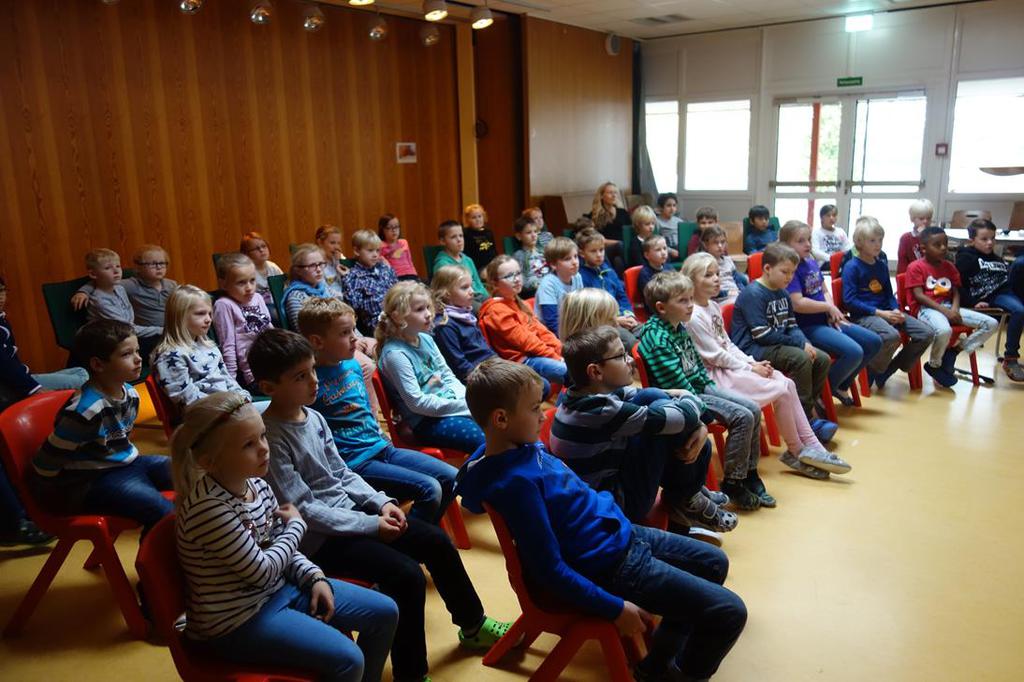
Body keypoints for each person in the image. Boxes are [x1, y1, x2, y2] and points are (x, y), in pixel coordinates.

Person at [456, 358, 747, 682]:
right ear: (501, 418)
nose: (543, 415)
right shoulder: (515, 484)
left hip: (618, 532)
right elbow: (549, 569)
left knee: (714, 563)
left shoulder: (515, 445)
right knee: (729, 612)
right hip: (610, 563)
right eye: (536, 408)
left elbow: (475, 474)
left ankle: (657, 664)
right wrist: (615, 608)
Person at [251, 329, 510, 682]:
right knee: (405, 575)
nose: (314, 381)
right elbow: (305, 511)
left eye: (312, 370)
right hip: (319, 540)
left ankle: (473, 625)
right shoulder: (271, 437)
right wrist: (372, 525)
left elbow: (342, 473)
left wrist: (381, 503)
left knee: (436, 541)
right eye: (300, 376)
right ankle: (411, 674)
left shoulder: (314, 417)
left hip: (352, 517)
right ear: (268, 387)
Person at [171, 391, 398, 682]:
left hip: (278, 589)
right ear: (210, 462)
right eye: (248, 444)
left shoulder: (257, 485)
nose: (264, 449)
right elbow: (263, 571)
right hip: (237, 622)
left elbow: (278, 544)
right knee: (349, 660)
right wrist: (297, 527)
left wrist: (313, 577)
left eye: (262, 436)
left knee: (385, 612)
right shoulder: (209, 510)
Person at [552, 326, 736, 532]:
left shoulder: (586, 394)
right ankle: (686, 497)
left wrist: (696, 421)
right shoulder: (599, 411)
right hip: (617, 505)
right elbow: (682, 418)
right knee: (662, 418)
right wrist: (690, 403)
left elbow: (650, 395)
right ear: (596, 371)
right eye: (621, 356)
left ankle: (688, 493)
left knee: (651, 398)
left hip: (614, 479)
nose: (631, 360)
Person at [296, 301, 456, 524]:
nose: (355, 338)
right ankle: (409, 537)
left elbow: (366, 411)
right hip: (355, 462)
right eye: (344, 333)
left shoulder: (352, 365)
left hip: (382, 448)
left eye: (354, 330)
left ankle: (418, 533)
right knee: (430, 489)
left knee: (452, 478)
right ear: (317, 341)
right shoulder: (309, 382)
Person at [639, 270, 789, 509]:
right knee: (741, 417)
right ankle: (734, 482)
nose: (690, 305)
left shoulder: (679, 327)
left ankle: (749, 473)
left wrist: (712, 388)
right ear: (661, 307)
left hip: (700, 387)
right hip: (683, 399)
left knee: (752, 408)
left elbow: (697, 366)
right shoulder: (657, 338)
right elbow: (678, 385)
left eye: (691, 298)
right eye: (683, 300)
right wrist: (705, 414)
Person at [681, 253, 837, 481]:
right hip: (715, 376)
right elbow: (715, 356)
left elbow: (728, 344)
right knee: (781, 388)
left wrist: (751, 362)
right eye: (708, 275)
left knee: (787, 382)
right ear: (691, 280)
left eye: (717, 273)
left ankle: (811, 444)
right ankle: (797, 450)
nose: (716, 279)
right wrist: (749, 368)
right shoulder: (694, 316)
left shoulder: (712, 306)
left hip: (730, 367)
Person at [30, 320, 173, 533]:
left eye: (137, 350)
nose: (138, 358)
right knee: (163, 512)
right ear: (98, 365)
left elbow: (118, 442)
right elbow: (44, 464)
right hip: (93, 480)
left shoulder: (131, 393)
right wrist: (58, 499)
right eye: (126, 354)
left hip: (126, 464)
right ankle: (160, 552)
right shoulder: (85, 411)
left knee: (188, 473)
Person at [730, 244, 840, 444]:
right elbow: (762, 334)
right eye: (784, 272)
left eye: (793, 272)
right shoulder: (753, 294)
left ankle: (803, 411)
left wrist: (804, 342)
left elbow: (792, 325)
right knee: (801, 358)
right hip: (753, 349)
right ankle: (805, 422)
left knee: (821, 358)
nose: (789, 277)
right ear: (767, 269)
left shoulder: (783, 293)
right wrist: (799, 345)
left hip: (776, 344)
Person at [779, 220, 882, 406]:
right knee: (854, 352)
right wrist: (827, 308)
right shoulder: (790, 269)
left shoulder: (811, 261)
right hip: (807, 326)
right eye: (800, 241)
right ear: (786, 245)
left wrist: (832, 310)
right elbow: (797, 303)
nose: (808, 244)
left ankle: (840, 385)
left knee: (874, 341)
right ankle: (822, 391)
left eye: (809, 239)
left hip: (826, 319)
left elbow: (824, 290)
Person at [376, 282, 486, 455]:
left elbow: (447, 375)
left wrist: (466, 400)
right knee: (484, 439)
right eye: (419, 309)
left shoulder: (425, 338)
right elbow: (417, 403)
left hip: (451, 405)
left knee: (500, 424)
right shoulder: (395, 355)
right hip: (426, 421)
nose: (428, 314)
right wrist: (466, 407)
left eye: (427, 307)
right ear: (398, 317)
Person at [283, 243, 380, 413]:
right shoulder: (295, 296)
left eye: (321, 264)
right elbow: (304, 331)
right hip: (325, 347)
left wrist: (359, 337)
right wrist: (351, 340)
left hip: (345, 337)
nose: (319, 269)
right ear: (298, 270)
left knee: (381, 347)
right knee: (367, 366)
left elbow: (345, 316)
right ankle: (370, 412)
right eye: (312, 265)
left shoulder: (324, 288)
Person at [842, 216, 934, 390]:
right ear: (859, 242)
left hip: (887, 312)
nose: (878, 244)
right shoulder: (852, 267)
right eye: (872, 241)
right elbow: (849, 301)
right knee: (892, 336)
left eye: (880, 240)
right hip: (865, 316)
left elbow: (888, 294)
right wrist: (880, 313)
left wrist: (895, 309)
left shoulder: (881, 265)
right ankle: (872, 371)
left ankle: (888, 370)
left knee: (926, 333)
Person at [906, 227, 997, 387]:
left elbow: (955, 291)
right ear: (924, 248)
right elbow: (919, 296)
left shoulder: (949, 266)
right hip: (926, 309)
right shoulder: (915, 267)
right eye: (937, 245)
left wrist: (954, 309)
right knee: (944, 330)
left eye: (945, 244)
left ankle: (954, 351)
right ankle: (934, 365)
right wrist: (946, 312)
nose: (943, 248)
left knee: (991, 324)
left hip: (948, 307)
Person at [152, 285, 250, 407]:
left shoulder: (209, 346)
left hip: (230, 406)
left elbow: (227, 379)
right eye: (200, 313)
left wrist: (243, 397)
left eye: (210, 313)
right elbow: (187, 398)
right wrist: (231, 405)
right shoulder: (170, 356)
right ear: (180, 317)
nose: (208, 319)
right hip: (209, 413)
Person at [480, 256, 568, 389]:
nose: (516, 279)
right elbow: (527, 343)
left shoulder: (519, 302)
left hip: (534, 355)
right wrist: (557, 357)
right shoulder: (496, 310)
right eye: (509, 276)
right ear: (494, 283)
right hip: (521, 362)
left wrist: (562, 351)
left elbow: (542, 332)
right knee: (569, 372)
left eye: (518, 273)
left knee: (575, 361)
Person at [0, 275, 88, 405]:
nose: (1, 297)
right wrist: (34, 389)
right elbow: (4, 364)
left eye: (1, 290)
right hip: (14, 387)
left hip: (23, 377)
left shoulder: (2, 318)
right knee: (83, 379)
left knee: (80, 372)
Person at [955, 218, 1024, 381]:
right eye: (984, 239)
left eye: (993, 238)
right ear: (972, 240)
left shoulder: (996, 258)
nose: (990, 243)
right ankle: (1011, 358)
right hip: (984, 297)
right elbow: (958, 286)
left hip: (1003, 292)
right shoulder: (966, 258)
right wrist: (973, 302)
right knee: (1020, 311)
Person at [78, 248, 162, 361]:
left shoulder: (119, 288)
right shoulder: (99, 300)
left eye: (118, 266)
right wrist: (160, 330)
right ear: (93, 274)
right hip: (111, 343)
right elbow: (126, 328)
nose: (116, 271)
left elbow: (129, 322)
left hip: (128, 335)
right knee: (162, 342)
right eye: (108, 268)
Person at [72, 243, 178, 332]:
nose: (159, 267)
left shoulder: (171, 285)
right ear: (138, 267)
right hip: (145, 333)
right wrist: (84, 292)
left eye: (162, 263)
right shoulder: (131, 285)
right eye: (152, 264)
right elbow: (100, 283)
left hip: (168, 329)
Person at [212, 252, 273, 392]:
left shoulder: (257, 298)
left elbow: (270, 329)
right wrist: (231, 383)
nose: (249, 287)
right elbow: (228, 345)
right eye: (241, 282)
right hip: (254, 376)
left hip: (274, 363)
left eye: (252, 280)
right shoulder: (224, 305)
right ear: (223, 284)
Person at [429, 265, 498, 384]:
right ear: (446, 294)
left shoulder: (466, 314)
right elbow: (460, 366)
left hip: (491, 365)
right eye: (465, 287)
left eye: (471, 286)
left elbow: (484, 348)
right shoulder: (444, 325)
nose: (472, 291)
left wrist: (500, 363)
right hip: (478, 377)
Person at [576, 228, 642, 347]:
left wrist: (628, 314)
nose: (599, 255)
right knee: (631, 342)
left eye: (601, 250)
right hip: (603, 325)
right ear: (582, 253)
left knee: (647, 332)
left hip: (622, 317)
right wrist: (616, 320)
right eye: (593, 251)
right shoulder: (581, 277)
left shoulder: (609, 271)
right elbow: (591, 311)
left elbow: (621, 296)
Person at [343, 230, 398, 336]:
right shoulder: (353, 276)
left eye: (377, 250)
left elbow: (399, 290)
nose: (375, 255)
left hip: (398, 312)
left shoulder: (385, 269)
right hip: (379, 322)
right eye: (370, 250)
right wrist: (347, 280)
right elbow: (353, 306)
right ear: (356, 251)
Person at [534, 237, 583, 336]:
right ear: (553, 265)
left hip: (571, 328)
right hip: (551, 333)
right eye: (567, 259)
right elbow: (551, 322)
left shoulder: (577, 277)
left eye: (575, 256)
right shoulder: (548, 284)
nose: (575, 262)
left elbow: (581, 308)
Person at [432, 220, 487, 304]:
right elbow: (446, 292)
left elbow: (479, 283)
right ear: (443, 241)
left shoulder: (468, 260)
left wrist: (489, 299)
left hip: (480, 296)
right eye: (453, 237)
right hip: (463, 301)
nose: (459, 240)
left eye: (461, 236)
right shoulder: (442, 264)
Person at [240, 231, 285, 325]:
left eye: (264, 246)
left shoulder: (273, 267)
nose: (261, 250)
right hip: (257, 307)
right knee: (276, 314)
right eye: (256, 249)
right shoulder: (247, 271)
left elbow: (284, 286)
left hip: (277, 303)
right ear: (246, 254)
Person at [588, 181, 628, 274]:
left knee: (618, 261)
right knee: (619, 246)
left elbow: (629, 232)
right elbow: (597, 238)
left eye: (615, 193)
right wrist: (618, 242)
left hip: (622, 249)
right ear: (602, 196)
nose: (614, 195)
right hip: (604, 248)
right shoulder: (594, 215)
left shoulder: (623, 212)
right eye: (610, 193)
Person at [700, 225, 747, 302]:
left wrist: (743, 292)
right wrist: (727, 293)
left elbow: (737, 280)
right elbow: (705, 289)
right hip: (720, 299)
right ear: (705, 244)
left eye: (722, 242)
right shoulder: (703, 263)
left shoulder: (728, 260)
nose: (720, 246)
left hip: (735, 294)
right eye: (715, 242)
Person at [510, 215, 548, 299]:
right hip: (532, 292)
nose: (534, 235)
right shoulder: (519, 255)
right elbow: (520, 278)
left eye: (535, 231)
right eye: (529, 232)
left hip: (548, 285)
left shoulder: (543, 252)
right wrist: (534, 285)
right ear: (519, 236)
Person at [378, 214, 420, 282]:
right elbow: (382, 265)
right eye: (389, 227)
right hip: (396, 276)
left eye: (396, 227)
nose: (394, 230)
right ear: (382, 229)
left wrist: (416, 275)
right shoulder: (380, 245)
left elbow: (409, 260)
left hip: (411, 274)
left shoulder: (404, 242)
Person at [897, 199, 933, 275]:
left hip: (931, 275)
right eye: (921, 218)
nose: (925, 221)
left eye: (929, 218)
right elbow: (902, 262)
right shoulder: (906, 238)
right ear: (912, 219)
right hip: (912, 275)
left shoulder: (935, 237)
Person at [315, 224, 349, 298]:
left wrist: (339, 262)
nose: (337, 247)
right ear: (320, 242)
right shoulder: (317, 265)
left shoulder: (337, 260)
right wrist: (344, 297)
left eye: (338, 243)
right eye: (332, 243)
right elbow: (324, 289)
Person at [812, 204, 851, 270]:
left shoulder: (841, 231)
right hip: (825, 263)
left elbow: (847, 248)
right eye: (828, 215)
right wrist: (832, 258)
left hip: (840, 262)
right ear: (821, 218)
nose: (831, 218)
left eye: (834, 215)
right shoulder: (816, 232)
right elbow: (815, 251)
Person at [462, 203, 497, 273]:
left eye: (479, 216)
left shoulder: (488, 232)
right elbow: (466, 254)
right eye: (474, 217)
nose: (477, 219)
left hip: (491, 264)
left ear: (484, 217)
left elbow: (493, 250)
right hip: (477, 267)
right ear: (467, 220)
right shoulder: (466, 234)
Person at [637, 234, 671, 299]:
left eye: (665, 248)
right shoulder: (645, 274)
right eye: (658, 250)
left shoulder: (669, 268)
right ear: (647, 255)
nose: (663, 253)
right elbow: (652, 296)